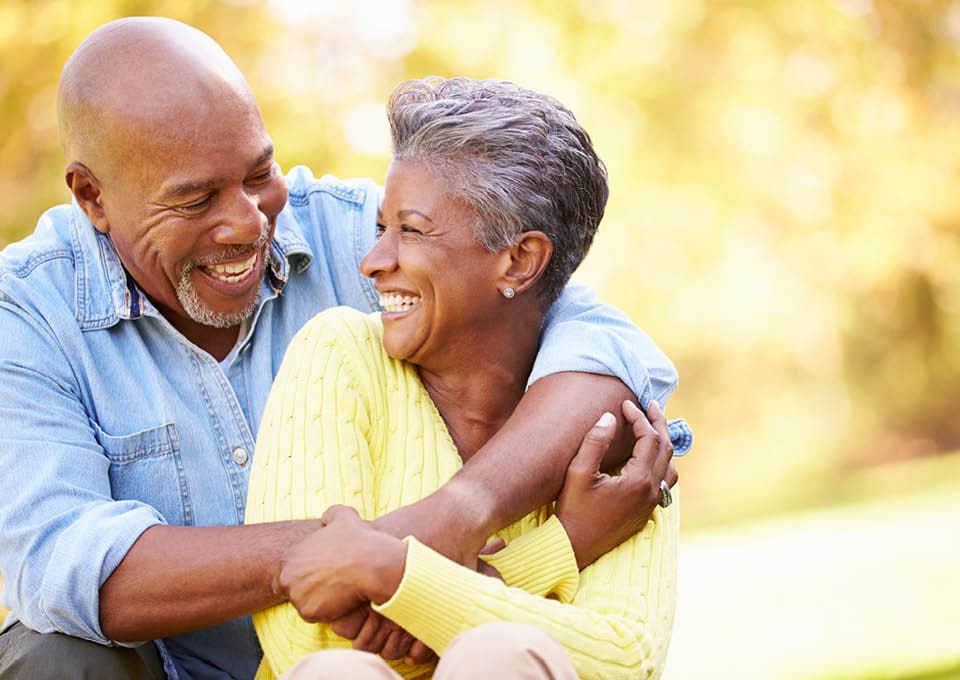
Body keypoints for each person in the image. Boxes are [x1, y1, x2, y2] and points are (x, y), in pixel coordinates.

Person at [0, 17, 688, 680]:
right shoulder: (27, 313)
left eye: (257, 174)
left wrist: (459, 513)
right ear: (93, 196)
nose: (245, 222)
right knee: (50, 655)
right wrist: (389, 554)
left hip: (378, 658)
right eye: (195, 200)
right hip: (178, 667)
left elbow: (600, 344)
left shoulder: (357, 229)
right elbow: (71, 565)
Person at [245, 77, 693, 680]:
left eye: (411, 230)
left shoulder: (616, 431)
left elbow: (621, 658)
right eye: (381, 228)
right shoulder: (339, 353)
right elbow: (308, 638)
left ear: (519, 260)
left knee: (499, 657)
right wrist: (556, 549)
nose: (373, 262)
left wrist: (394, 576)